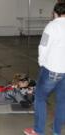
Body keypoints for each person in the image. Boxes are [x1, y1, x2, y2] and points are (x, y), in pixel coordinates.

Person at [24, 2, 65, 135]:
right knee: (62, 102)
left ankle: (38, 130)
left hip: (51, 70)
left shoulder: (51, 26)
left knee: (40, 99)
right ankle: (57, 132)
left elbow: (43, 46)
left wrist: (42, 62)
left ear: (55, 12)